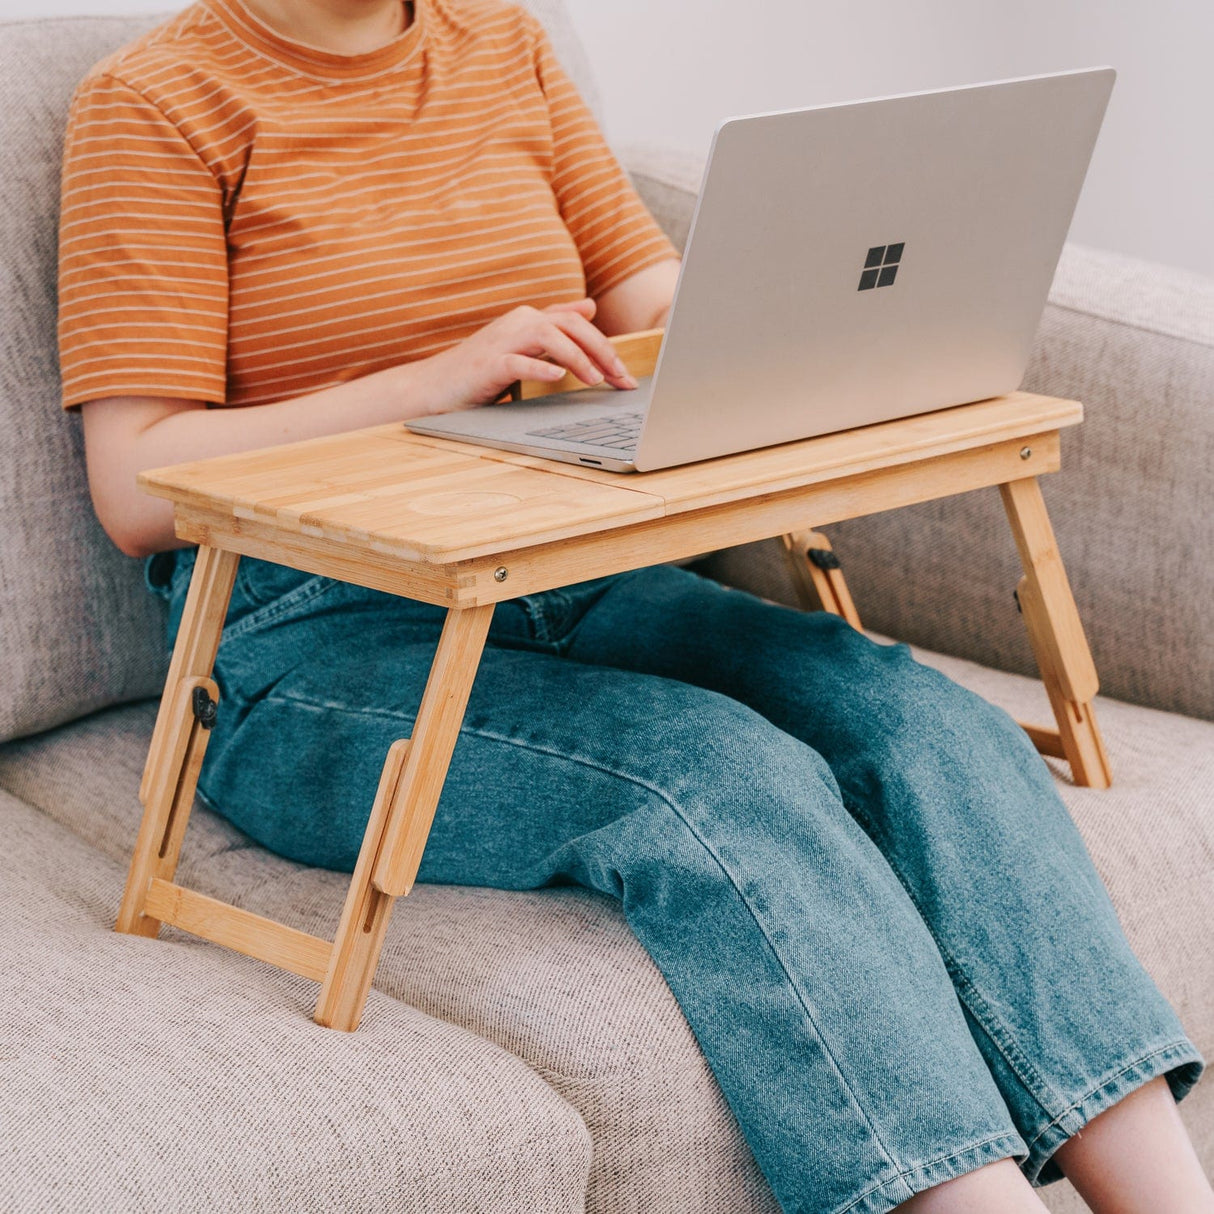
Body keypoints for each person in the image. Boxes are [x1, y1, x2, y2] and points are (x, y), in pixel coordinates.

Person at [57, 0, 1211, 1210]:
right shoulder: (161, 99)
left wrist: (750, 331)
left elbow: (643, 289)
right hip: (310, 639)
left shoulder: (497, 36)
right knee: (715, 775)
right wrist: (435, 381)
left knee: (920, 723)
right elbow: (137, 482)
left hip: (569, 565)